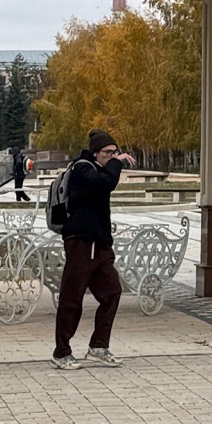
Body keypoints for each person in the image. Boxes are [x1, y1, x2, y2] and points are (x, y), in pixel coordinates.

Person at [52, 129, 132, 370]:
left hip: (100, 245)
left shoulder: (97, 168)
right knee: (72, 298)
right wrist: (117, 164)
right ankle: (61, 352)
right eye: (108, 152)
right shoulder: (82, 169)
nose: (113, 156)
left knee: (112, 292)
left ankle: (98, 347)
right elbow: (106, 183)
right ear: (96, 152)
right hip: (81, 243)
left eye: (115, 152)